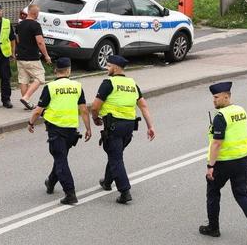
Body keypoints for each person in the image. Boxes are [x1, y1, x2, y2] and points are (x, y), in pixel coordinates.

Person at [199, 80, 247, 245]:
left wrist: (210, 166)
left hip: (223, 163)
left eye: (216, 97)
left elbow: (216, 143)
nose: (214, 100)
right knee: (241, 193)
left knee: (213, 192)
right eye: (213, 97)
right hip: (241, 161)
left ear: (226, 97)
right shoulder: (240, 111)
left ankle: (213, 228)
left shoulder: (221, 117)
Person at [90, 55, 155, 204]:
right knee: (115, 153)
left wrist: (95, 118)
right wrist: (150, 126)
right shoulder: (132, 84)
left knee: (116, 158)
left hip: (114, 126)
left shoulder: (108, 83)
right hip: (129, 127)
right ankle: (107, 181)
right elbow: (143, 105)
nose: (106, 68)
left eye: (108, 66)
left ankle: (125, 191)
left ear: (115, 67)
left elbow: (95, 106)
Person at [27, 57, 91, 205]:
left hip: (56, 130)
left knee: (61, 160)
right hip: (71, 130)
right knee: (60, 157)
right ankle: (50, 182)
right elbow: (83, 110)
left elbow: (38, 110)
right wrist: (88, 128)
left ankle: (70, 193)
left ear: (56, 71)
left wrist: (31, 122)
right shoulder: (77, 86)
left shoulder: (50, 87)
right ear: (69, 70)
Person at [15, 4, 51, 109]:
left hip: (20, 56)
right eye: (38, 13)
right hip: (32, 57)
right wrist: (46, 55)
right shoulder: (35, 25)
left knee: (23, 80)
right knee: (40, 78)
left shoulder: (19, 25)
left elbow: (17, 39)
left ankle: (27, 104)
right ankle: (26, 98)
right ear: (35, 13)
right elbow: (40, 42)